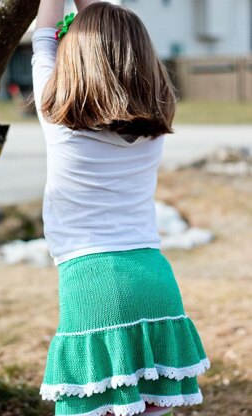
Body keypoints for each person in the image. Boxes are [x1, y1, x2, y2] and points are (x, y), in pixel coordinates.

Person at [31, 1, 211, 416]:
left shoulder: (56, 118)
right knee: (151, 406)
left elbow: (43, 37)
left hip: (93, 284)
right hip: (155, 277)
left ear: (72, 58)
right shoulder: (156, 123)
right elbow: (106, 31)